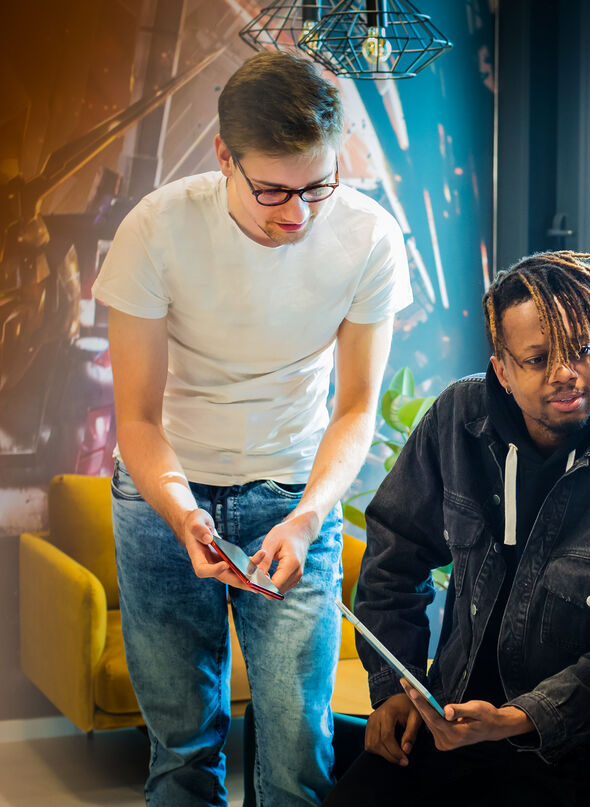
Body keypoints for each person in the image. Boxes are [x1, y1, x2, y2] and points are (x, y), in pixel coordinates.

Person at [94, 51, 408, 806]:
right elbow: (135, 415)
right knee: (181, 747)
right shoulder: (157, 230)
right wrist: (181, 510)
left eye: (317, 186)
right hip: (162, 498)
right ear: (224, 157)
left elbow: (357, 405)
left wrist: (306, 519)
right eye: (271, 189)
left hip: (293, 494)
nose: (297, 214)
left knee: (300, 748)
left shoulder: (369, 237)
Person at [323, 251, 590, 806]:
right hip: (447, 722)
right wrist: (396, 687)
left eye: (581, 349)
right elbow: (395, 551)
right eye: (538, 359)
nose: (566, 374)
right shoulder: (458, 418)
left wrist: (513, 720)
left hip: (568, 752)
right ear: (502, 369)